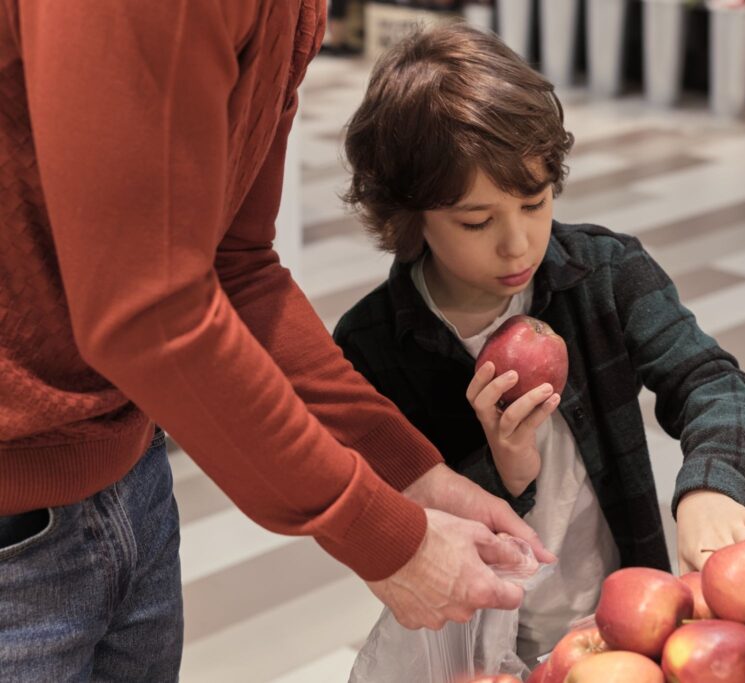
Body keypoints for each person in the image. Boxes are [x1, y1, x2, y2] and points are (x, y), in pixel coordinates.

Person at [0, 2, 552, 679]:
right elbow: (149, 314)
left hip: (128, 467)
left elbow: (234, 263)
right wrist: (382, 535)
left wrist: (408, 470)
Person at [333, 23, 745, 663]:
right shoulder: (374, 346)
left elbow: (711, 381)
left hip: (625, 607)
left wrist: (711, 487)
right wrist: (506, 473)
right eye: (477, 221)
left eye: (535, 203)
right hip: (476, 636)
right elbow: (396, 522)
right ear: (408, 217)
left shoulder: (605, 275)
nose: (517, 245)